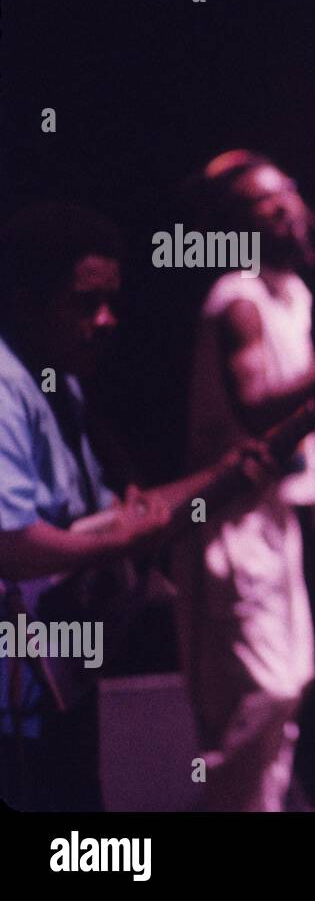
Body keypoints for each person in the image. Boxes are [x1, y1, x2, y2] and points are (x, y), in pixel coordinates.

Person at [176, 150, 315, 811]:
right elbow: (258, 403)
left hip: (273, 520)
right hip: (231, 524)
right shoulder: (237, 299)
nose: (286, 209)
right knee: (261, 691)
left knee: (289, 687)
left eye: (288, 194)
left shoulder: (291, 295)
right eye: (264, 206)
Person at [0, 203, 175, 810]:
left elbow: (89, 513)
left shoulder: (61, 383)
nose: (106, 322)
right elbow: (12, 546)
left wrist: (126, 517)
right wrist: (123, 540)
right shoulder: (4, 384)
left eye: (111, 304)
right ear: (27, 301)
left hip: (58, 680)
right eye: (84, 304)